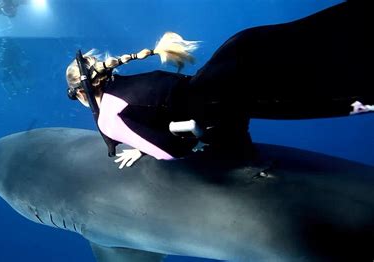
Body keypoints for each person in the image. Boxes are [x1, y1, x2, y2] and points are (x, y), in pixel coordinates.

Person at [66, 0, 373, 169]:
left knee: (332, 97)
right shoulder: (125, 79)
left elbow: (171, 152)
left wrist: (144, 147)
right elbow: (155, 99)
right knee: (328, 40)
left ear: (81, 93)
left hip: (227, 101)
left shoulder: (108, 119)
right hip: (232, 57)